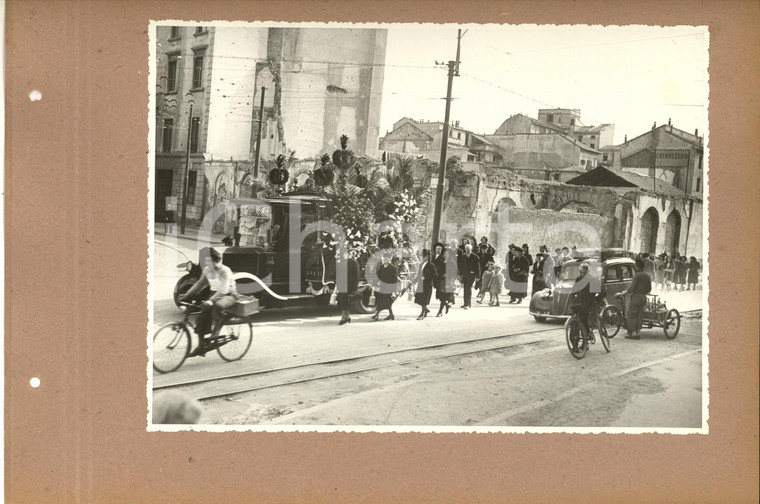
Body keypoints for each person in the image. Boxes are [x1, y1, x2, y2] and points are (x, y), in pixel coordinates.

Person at [179, 247, 238, 356]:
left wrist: (211, 301)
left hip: (229, 295)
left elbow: (224, 290)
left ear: (217, 260)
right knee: (201, 317)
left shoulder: (225, 271)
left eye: (211, 262)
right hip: (214, 295)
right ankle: (201, 347)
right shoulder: (207, 270)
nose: (208, 266)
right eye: (207, 262)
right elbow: (199, 284)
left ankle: (217, 328)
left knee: (217, 306)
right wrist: (187, 294)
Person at [615, 259, 652, 340]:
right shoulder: (647, 276)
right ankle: (638, 333)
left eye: (635, 266)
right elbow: (649, 289)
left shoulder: (637, 275)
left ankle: (634, 334)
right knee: (640, 316)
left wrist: (622, 293)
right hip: (643, 298)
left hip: (636, 298)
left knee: (632, 315)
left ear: (637, 266)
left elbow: (631, 288)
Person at [569, 262, 603, 347]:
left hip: (589, 304)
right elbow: (573, 292)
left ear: (587, 272)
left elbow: (602, 293)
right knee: (574, 321)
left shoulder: (592, 280)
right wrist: (573, 300)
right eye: (580, 272)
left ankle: (585, 340)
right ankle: (575, 343)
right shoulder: (579, 279)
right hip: (579, 303)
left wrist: (595, 300)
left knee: (583, 320)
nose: (581, 274)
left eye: (583, 272)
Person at [335, 249, 360, 326]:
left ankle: (344, 317)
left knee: (346, 300)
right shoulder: (342, 262)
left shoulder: (353, 263)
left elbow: (356, 276)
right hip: (342, 285)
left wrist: (354, 288)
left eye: (346, 254)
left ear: (350, 254)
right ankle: (347, 316)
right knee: (342, 300)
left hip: (350, 285)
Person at [372, 252, 399, 321]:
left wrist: (394, 291)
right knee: (386, 302)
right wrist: (373, 284)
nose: (384, 260)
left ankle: (376, 314)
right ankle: (391, 315)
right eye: (384, 259)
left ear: (389, 260)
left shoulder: (392, 268)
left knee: (383, 302)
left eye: (386, 259)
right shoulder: (381, 267)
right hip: (382, 287)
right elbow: (378, 277)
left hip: (389, 288)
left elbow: (394, 280)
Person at [433, 242, 455, 317]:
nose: (446, 255)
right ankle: (446, 305)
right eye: (445, 254)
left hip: (447, 282)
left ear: (450, 255)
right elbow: (438, 270)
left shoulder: (452, 262)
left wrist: (449, 275)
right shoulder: (441, 261)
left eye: (447, 254)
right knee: (440, 297)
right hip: (440, 281)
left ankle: (440, 312)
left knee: (443, 297)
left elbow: (455, 272)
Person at [414, 249, 437, 320]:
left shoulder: (431, 265)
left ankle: (422, 314)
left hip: (427, 284)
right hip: (421, 284)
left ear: (427, 256)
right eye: (422, 256)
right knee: (419, 299)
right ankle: (425, 310)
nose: (422, 258)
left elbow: (435, 275)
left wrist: (426, 278)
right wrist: (414, 281)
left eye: (424, 256)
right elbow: (419, 275)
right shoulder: (421, 264)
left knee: (424, 299)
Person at [458, 243, 481, 309]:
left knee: (468, 288)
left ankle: (468, 304)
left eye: (468, 249)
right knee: (465, 289)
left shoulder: (475, 257)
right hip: (465, 275)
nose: (467, 250)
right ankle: (465, 303)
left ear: (471, 249)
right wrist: (460, 274)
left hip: (471, 275)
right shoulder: (463, 256)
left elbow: (478, 267)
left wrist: (478, 276)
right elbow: (461, 266)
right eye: (466, 249)